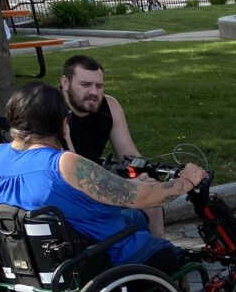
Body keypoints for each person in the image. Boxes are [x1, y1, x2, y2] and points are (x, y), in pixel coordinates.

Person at [0, 81, 206, 274]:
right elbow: (144, 197)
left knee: (134, 218)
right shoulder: (63, 163)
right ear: (62, 122)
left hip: (34, 267)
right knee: (173, 255)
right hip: (98, 259)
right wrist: (186, 181)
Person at [60, 54, 167, 236]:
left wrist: (141, 176)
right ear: (65, 83)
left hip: (94, 179)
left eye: (99, 85)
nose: (94, 92)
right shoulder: (53, 109)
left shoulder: (109, 105)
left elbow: (128, 153)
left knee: (149, 192)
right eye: (85, 85)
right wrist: (122, 184)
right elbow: (72, 169)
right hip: (69, 187)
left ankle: (160, 251)